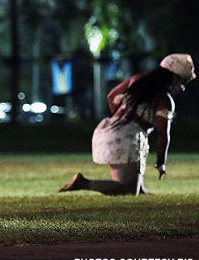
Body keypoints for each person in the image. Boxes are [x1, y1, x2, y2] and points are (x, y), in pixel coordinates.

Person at [59, 54, 195, 195]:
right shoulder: (164, 99)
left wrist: (119, 122)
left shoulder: (137, 80)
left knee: (133, 185)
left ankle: (140, 188)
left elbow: (111, 96)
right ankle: (85, 183)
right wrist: (161, 162)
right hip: (125, 136)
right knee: (128, 189)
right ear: (173, 76)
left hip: (107, 129)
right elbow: (163, 133)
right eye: (182, 83)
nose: (182, 88)